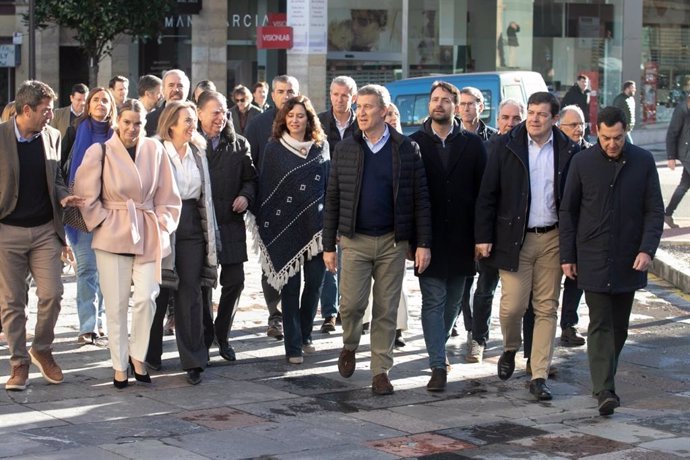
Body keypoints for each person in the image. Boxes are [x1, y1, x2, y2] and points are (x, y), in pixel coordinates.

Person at [323, 84, 431, 395]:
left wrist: (422, 242)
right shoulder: (345, 149)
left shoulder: (406, 149)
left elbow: (420, 198)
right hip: (354, 240)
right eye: (359, 107)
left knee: (386, 309)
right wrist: (328, 245)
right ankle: (349, 343)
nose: (361, 112)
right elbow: (332, 199)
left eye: (368, 107)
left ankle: (381, 371)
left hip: (392, 242)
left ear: (384, 111)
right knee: (352, 304)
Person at [559, 106, 664, 415]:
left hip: (629, 257)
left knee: (619, 327)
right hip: (591, 256)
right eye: (605, 138)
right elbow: (568, 212)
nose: (611, 144)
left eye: (617, 138)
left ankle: (605, 376)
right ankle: (605, 389)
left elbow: (654, 211)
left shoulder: (643, 162)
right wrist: (568, 256)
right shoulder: (582, 162)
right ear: (597, 131)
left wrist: (647, 249)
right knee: (600, 322)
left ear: (625, 131)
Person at [475, 91, 579, 401]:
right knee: (513, 307)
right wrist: (483, 236)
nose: (534, 119)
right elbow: (487, 195)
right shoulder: (504, 146)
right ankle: (510, 347)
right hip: (514, 239)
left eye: (541, 114)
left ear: (554, 119)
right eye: (531, 112)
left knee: (546, 308)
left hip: (552, 239)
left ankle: (538, 375)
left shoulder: (568, 150)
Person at [74, 99, 180, 388]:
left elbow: (168, 195)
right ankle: (120, 365)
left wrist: (161, 223)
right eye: (127, 122)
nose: (132, 128)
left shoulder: (155, 149)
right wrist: (104, 221)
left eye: (138, 123)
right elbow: (85, 194)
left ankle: (138, 355)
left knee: (147, 297)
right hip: (113, 232)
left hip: (147, 230)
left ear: (145, 124)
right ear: (117, 122)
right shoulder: (101, 151)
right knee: (117, 305)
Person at [1, 80, 83, 391]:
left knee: (53, 293)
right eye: (45, 110)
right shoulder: (1, 137)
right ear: (26, 110)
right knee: (12, 302)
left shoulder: (53, 136)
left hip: (46, 230)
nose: (51, 115)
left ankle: (42, 349)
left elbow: (57, 175)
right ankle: (19, 363)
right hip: (7, 230)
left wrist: (62, 195)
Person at [410, 80, 486, 391]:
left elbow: (484, 195)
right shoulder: (412, 143)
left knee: (454, 300)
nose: (438, 104)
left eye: (445, 100)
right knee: (433, 299)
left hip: (463, 239)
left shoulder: (472, 144)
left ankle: (437, 349)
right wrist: (412, 240)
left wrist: (482, 237)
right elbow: (408, 196)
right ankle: (437, 365)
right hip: (427, 238)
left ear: (456, 106)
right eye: (434, 99)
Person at [254, 95, 329, 364]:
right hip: (284, 227)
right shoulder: (274, 148)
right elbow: (268, 189)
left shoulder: (321, 147)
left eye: (300, 116)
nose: (295, 120)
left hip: (318, 231)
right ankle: (293, 346)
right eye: (291, 116)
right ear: (283, 119)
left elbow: (329, 186)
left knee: (315, 285)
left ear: (309, 119)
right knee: (290, 288)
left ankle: (306, 333)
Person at [149, 101, 218, 385]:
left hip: (191, 224)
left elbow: (206, 197)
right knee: (157, 291)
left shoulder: (198, 153)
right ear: (171, 124)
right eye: (186, 120)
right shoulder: (155, 150)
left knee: (190, 292)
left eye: (193, 120)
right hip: (161, 223)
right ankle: (147, 354)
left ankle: (193, 360)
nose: (192, 125)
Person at [465, 99, 526, 365]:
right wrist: (480, 236)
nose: (510, 123)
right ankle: (478, 339)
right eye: (505, 117)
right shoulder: (485, 148)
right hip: (492, 234)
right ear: (497, 119)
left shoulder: (530, 149)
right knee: (484, 290)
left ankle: (522, 345)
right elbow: (479, 197)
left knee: (523, 296)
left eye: (516, 118)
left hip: (522, 236)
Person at [197, 90, 257, 361]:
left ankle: (223, 334)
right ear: (199, 114)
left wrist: (245, 195)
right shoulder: (191, 143)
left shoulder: (238, 144)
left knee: (235, 282)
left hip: (230, 224)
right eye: (215, 112)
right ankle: (205, 337)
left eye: (224, 112)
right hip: (199, 227)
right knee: (202, 287)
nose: (221, 118)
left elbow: (251, 179)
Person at [245, 75, 299, 340]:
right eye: (280, 91)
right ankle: (274, 315)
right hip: (267, 207)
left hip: (301, 209)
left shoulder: (308, 122)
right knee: (270, 266)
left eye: (290, 91)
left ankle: (294, 316)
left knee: (298, 266)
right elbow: (249, 166)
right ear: (272, 94)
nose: (286, 95)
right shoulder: (257, 125)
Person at [65, 88, 117, 345]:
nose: (100, 103)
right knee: (86, 269)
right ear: (88, 105)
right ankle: (88, 325)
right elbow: (63, 168)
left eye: (104, 100)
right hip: (81, 210)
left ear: (111, 106)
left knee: (107, 271)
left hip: (110, 212)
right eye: (95, 99)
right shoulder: (76, 130)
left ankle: (102, 321)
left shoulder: (117, 135)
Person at [316, 76, 359, 334]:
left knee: (349, 259)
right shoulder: (319, 123)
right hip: (324, 198)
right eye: (335, 94)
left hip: (353, 199)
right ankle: (329, 313)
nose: (340, 99)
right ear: (329, 95)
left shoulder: (361, 123)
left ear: (353, 97)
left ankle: (347, 308)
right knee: (328, 256)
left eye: (345, 95)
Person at [663, 93, 690, 229]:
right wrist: (671, 156)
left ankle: (668, 214)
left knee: (684, 185)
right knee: (684, 185)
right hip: (687, 153)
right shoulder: (682, 109)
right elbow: (672, 132)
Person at [146, 69, 190, 137]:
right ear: (163, 90)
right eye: (171, 85)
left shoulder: (198, 118)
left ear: (187, 90)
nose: (175, 90)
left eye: (180, 85)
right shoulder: (149, 120)